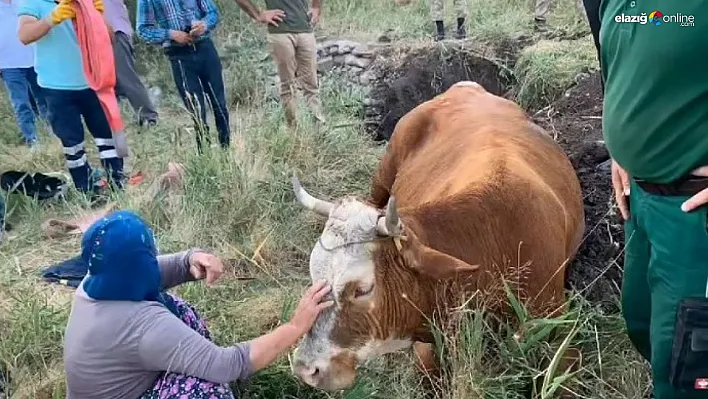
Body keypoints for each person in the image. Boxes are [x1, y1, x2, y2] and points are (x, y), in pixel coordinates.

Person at [63, 210, 334, 398]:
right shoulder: (143, 326)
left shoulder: (96, 281)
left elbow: (152, 271)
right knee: (208, 387)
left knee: (176, 310)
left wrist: (190, 259)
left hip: (122, 384)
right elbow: (228, 365)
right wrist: (296, 325)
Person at [598, 1, 708, 398]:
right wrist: (621, 146)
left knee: (688, 363)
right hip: (640, 200)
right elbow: (625, 64)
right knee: (643, 322)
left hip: (693, 213)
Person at [16, 0, 125, 197]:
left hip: (94, 82)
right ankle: (86, 191)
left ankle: (118, 183)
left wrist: (97, 16)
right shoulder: (34, 2)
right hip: (56, 87)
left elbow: (111, 39)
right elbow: (24, 35)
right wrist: (52, 18)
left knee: (107, 137)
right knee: (73, 143)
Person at [136, 0, 230, 151]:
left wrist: (203, 25)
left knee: (219, 103)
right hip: (178, 54)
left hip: (204, 47)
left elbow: (212, 12)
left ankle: (226, 150)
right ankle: (205, 157)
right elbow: (143, 30)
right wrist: (171, 34)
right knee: (196, 109)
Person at [233, 0, 325, 128]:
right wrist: (258, 15)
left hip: (305, 29)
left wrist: (316, 7)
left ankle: (319, 128)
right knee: (288, 86)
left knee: (311, 84)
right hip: (281, 31)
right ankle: (294, 131)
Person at [0, 0, 50, 149]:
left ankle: (53, 136)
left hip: (35, 58)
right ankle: (33, 140)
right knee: (21, 104)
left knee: (45, 100)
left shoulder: (26, 2)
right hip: (8, 64)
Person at [103, 0, 159, 127]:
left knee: (126, 78)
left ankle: (149, 118)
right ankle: (116, 123)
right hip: (104, 33)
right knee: (111, 83)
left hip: (114, 32)